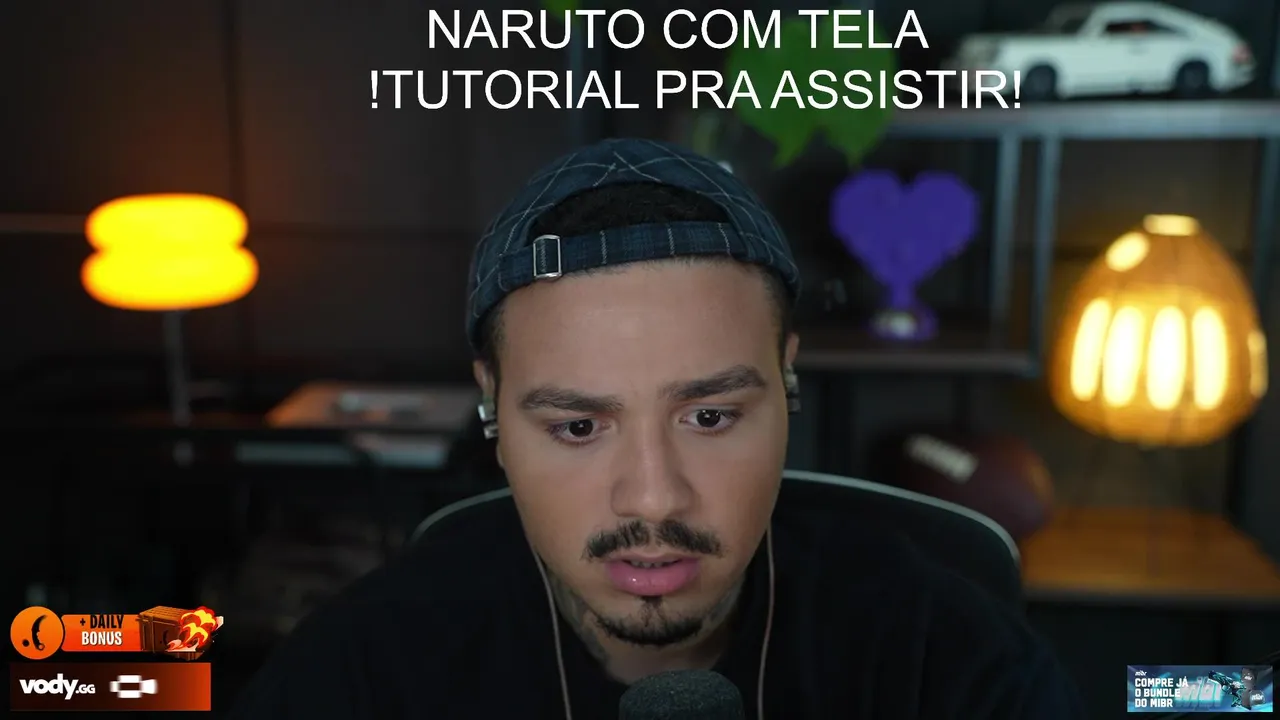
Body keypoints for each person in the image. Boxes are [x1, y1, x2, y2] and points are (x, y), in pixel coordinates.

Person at [229, 138, 1083, 718]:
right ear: (492, 405)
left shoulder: (944, 660)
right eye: (577, 426)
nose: (652, 498)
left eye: (708, 416)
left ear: (786, 379)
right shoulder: (365, 672)